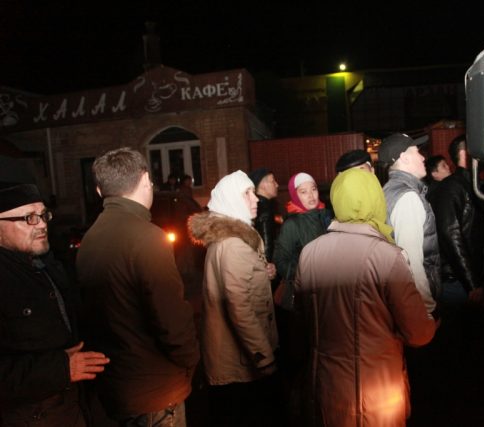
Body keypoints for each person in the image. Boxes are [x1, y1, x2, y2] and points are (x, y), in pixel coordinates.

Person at [293, 168, 436, 426]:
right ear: (375, 200)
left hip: (325, 388)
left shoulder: (309, 253)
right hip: (376, 396)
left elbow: (303, 320)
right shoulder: (387, 256)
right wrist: (431, 323)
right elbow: (418, 333)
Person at [76, 147, 200, 426]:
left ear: (99, 191)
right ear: (145, 180)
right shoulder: (147, 238)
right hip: (155, 391)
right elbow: (171, 320)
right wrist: (190, 360)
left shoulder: (90, 238)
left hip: (117, 386)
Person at [0, 182, 109, 426]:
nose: (41, 224)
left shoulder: (49, 265)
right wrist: (61, 368)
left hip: (72, 409)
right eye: (29, 218)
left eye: (43, 215)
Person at [188, 170, 279, 427]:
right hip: (239, 362)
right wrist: (264, 357)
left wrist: (263, 271)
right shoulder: (234, 245)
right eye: (247, 193)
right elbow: (240, 307)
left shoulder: (230, 239)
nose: (255, 198)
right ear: (230, 200)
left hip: (233, 359)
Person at [379, 133, 439, 313]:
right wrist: (426, 309)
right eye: (417, 152)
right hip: (418, 306)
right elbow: (411, 262)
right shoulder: (407, 197)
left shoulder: (389, 190)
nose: (423, 157)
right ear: (404, 158)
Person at [427, 134, 484, 305]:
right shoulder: (450, 187)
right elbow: (450, 235)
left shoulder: (473, 183)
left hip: (474, 277)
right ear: (464, 153)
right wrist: (472, 284)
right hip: (458, 282)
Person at [273, 172, 332, 311]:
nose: (311, 195)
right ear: (295, 195)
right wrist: (304, 273)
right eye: (303, 192)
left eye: (313, 189)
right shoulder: (291, 224)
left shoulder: (325, 216)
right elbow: (280, 261)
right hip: (303, 293)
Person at [249, 167, 280, 264]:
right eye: (273, 181)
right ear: (262, 185)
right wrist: (267, 264)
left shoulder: (258, 207)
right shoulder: (265, 209)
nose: (277, 185)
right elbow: (267, 246)